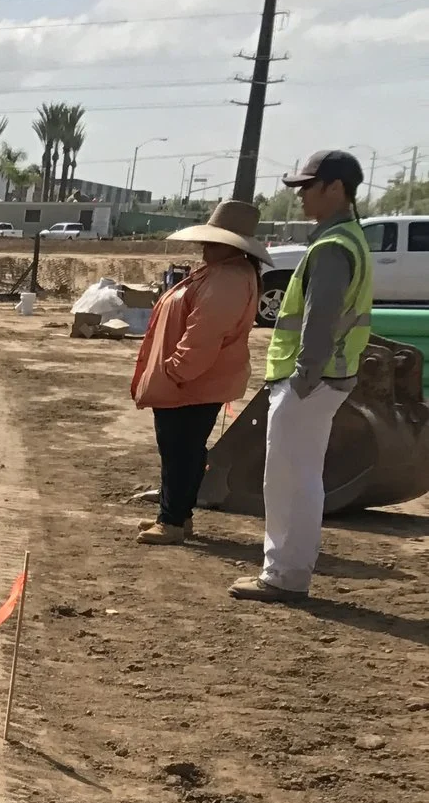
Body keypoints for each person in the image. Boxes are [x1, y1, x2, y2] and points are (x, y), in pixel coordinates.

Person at [232, 150, 375, 603]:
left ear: (336, 189)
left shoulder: (333, 247)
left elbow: (320, 320)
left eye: (307, 188)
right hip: (329, 379)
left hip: (310, 382)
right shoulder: (349, 239)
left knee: (288, 479)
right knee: (302, 477)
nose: (299, 197)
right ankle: (289, 571)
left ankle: (284, 575)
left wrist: (301, 379)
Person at [131, 199, 265, 544]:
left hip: (192, 383)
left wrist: (176, 372)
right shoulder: (224, 273)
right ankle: (177, 516)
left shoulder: (228, 279)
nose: (204, 246)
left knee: (180, 451)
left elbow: (204, 333)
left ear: (227, 245)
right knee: (184, 450)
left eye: (211, 241)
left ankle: (172, 521)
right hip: (195, 381)